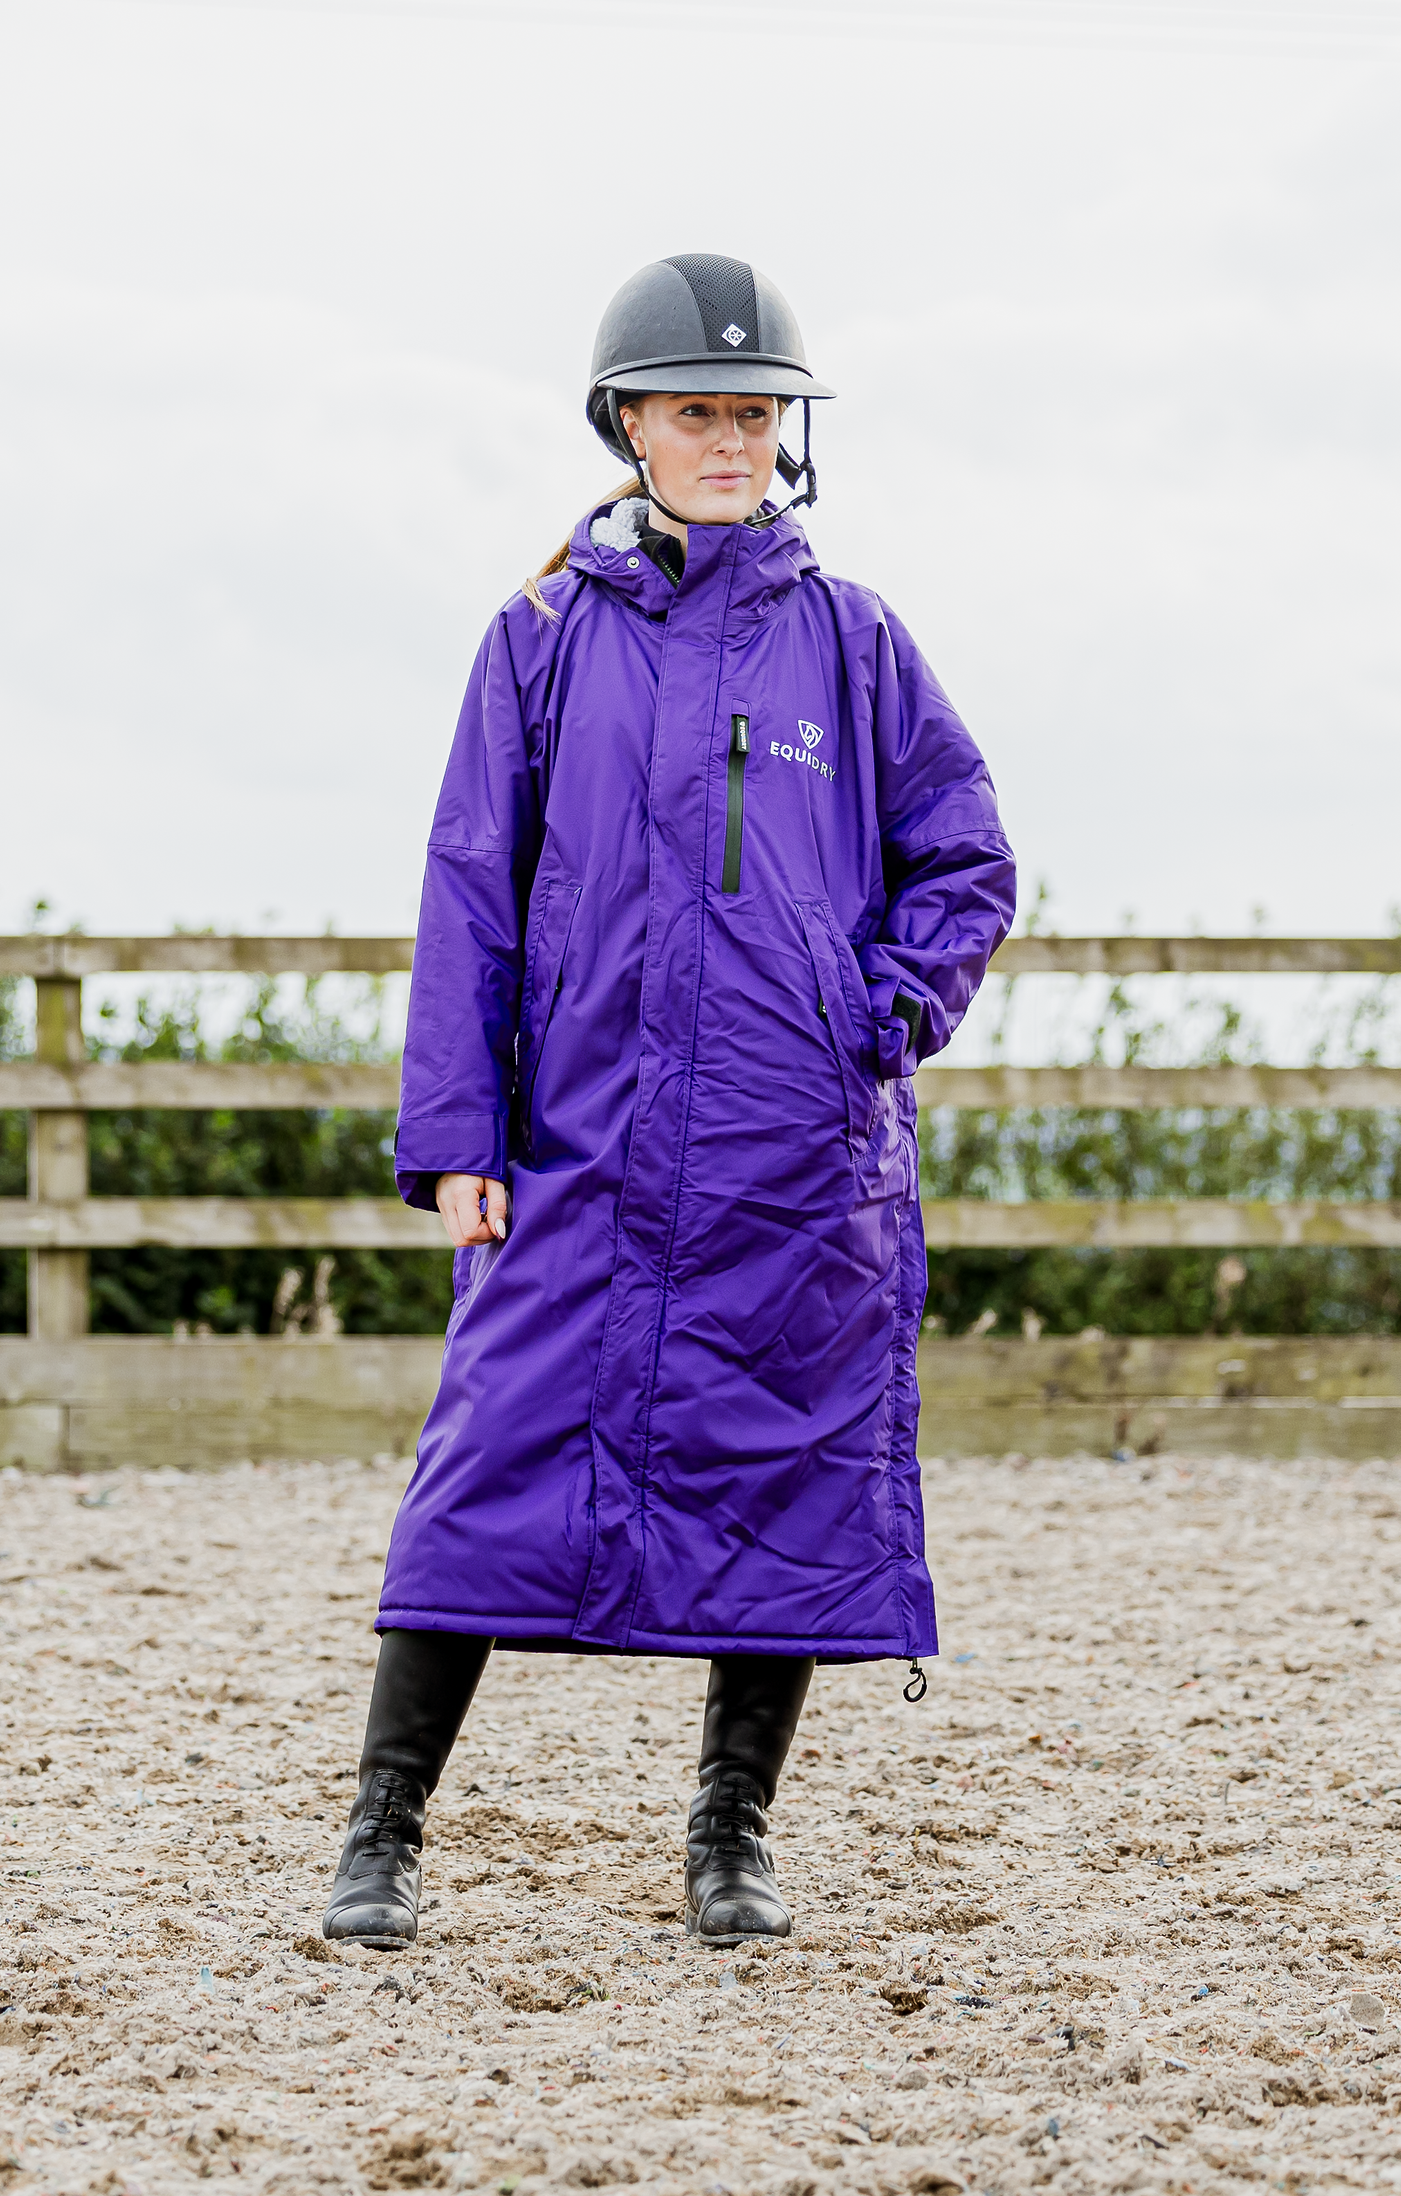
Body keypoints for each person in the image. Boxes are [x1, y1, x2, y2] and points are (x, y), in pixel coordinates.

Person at [322, 254, 1016, 1951]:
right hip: (583, 1146)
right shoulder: (540, 637)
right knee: (484, 1471)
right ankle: (384, 1831)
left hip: (796, 1157)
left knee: (788, 1480)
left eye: (756, 415)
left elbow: (967, 857)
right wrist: (457, 1139)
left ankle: (731, 1835)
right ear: (628, 424)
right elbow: (471, 887)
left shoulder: (857, 643)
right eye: (697, 411)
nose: (729, 441)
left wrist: (879, 1011)